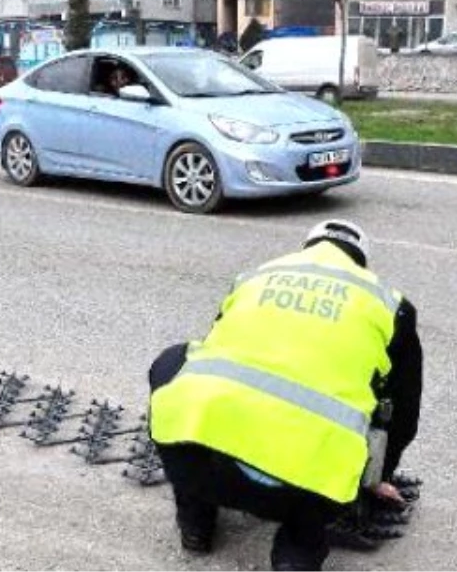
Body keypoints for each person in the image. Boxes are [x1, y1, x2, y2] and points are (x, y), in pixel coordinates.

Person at [148, 219, 423, 572]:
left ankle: (195, 524)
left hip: (198, 466)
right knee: (365, 414)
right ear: (362, 263)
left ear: (305, 248)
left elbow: (213, 349)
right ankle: (295, 557)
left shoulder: (256, 276)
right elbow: (403, 412)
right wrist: (378, 475)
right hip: (304, 489)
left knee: (177, 361)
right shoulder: (389, 305)